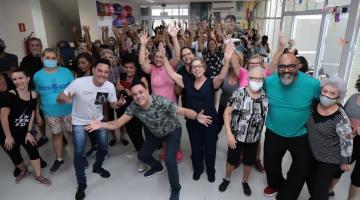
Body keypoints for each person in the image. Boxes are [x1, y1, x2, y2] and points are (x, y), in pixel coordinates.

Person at [84, 80, 212, 200]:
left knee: (170, 160)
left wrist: (196, 116)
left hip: (172, 131)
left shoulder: (161, 101)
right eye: (134, 94)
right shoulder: (134, 106)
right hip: (155, 133)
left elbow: (182, 110)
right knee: (142, 155)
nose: (138, 96)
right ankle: (157, 167)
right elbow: (117, 123)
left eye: (140, 92)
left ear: (147, 91)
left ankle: (175, 188)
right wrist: (101, 124)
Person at [164, 41, 235, 182]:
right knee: (195, 147)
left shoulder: (210, 82)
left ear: (203, 68)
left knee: (210, 148)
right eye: (193, 67)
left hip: (210, 121)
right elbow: (172, 74)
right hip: (193, 121)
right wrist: (164, 57)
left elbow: (221, 77)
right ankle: (198, 169)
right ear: (191, 70)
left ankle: (210, 170)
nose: (196, 69)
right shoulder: (186, 81)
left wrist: (227, 60)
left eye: (199, 66)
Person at [57, 59, 126, 200]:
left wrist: (118, 104)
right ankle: (81, 183)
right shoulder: (79, 83)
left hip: (98, 121)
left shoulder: (109, 87)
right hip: (79, 123)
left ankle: (97, 166)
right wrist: (63, 97)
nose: (103, 74)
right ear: (93, 70)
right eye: (100, 70)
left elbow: (112, 104)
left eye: (106, 72)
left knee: (104, 147)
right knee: (78, 153)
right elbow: (60, 97)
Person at [263, 52, 320, 199]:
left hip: (300, 134)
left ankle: (288, 193)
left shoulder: (313, 84)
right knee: (270, 164)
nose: (286, 70)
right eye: (282, 66)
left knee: (301, 168)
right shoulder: (269, 82)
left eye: (291, 66)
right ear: (278, 67)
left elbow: (325, 101)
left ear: (298, 66)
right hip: (273, 131)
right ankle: (276, 184)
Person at [219, 66, 268, 196]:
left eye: (260, 79)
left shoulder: (265, 95)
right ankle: (227, 178)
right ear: (249, 78)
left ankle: (245, 181)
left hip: (254, 137)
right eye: (254, 78)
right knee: (232, 160)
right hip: (236, 136)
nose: (257, 81)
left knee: (249, 161)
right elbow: (226, 113)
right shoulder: (239, 93)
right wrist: (229, 134)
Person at [0, 68, 51, 186]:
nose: (18, 81)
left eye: (20, 78)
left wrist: (28, 132)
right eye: (15, 79)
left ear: (27, 79)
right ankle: (24, 171)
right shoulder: (9, 95)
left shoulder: (33, 94)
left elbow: (31, 112)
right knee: (15, 156)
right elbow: (3, 117)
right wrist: (7, 136)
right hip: (6, 133)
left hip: (23, 131)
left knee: (33, 150)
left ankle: (39, 176)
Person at [306, 76, 353, 200]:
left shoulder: (340, 117)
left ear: (338, 98)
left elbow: (347, 140)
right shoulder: (313, 106)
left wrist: (345, 162)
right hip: (313, 152)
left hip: (330, 158)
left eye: (332, 93)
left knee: (319, 188)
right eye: (325, 91)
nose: (327, 95)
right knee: (309, 180)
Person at [33, 48, 74, 174]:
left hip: (69, 110)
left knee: (72, 133)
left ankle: (79, 157)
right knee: (56, 135)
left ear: (57, 59)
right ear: (42, 59)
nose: (50, 60)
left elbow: (75, 88)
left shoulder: (66, 72)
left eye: (53, 58)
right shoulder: (37, 76)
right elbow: (37, 96)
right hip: (50, 112)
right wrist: (37, 114)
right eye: (47, 58)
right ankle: (59, 159)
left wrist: (67, 97)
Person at [114, 58, 148, 172]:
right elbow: (116, 93)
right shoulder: (122, 76)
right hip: (124, 108)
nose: (128, 69)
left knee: (137, 132)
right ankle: (138, 149)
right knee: (129, 131)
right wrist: (117, 90)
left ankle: (142, 159)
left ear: (136, 68)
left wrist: (131, 94)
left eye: (131, 67)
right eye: (126, 67)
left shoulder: (141, 78)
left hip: (138, 109)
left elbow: (146, 95)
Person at [329, 75, 360, 200]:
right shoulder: (353, 97)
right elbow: (343, 115)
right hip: (349, 140)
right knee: (338, 169)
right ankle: (328, 191)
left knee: (358, 178)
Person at [19, 37, 48, 147]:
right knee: (38, 116)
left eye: (37, 45)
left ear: (41, 46)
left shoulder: (47, 58)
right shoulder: (25, 60)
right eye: (32, 45)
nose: (35, 47)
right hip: (34, 92)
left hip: (47, 91)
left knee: (51, 115)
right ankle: (44, 136)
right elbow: (22, 74)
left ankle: (59, 134)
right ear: (29, 47)